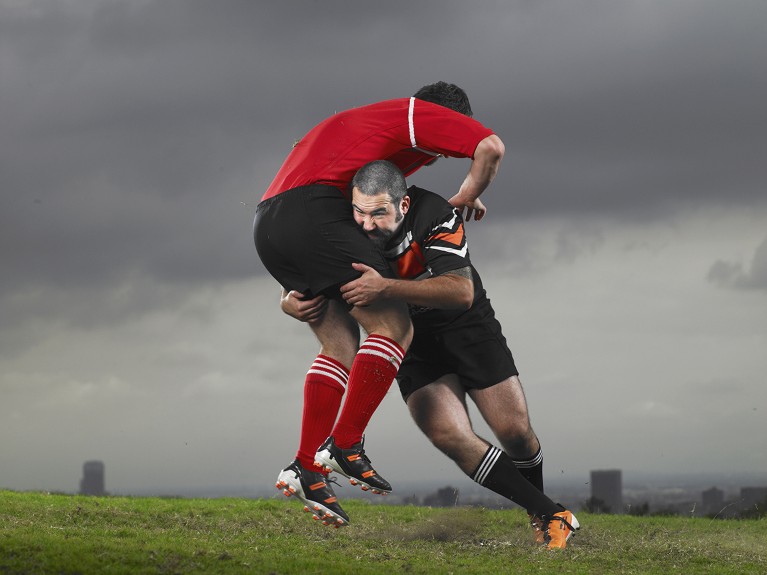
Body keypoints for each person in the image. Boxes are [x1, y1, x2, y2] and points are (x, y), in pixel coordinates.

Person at [283, 160, 580, 549]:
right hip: (408, 341)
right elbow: (309, 269)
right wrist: (289, 301)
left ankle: (540, 509)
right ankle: (551, 515)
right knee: (448, 434)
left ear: (403, 206)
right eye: (359, 212)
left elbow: (461, 292)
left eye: (378, 213)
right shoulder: (344, 224)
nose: (366, 225)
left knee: (515, 433)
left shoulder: (433, 213)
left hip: (465, 326)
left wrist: (386, 288)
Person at [254, 82, 505, 527]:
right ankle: (344, 444)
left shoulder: (364, 132)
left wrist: (287, 294)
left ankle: (306, 469)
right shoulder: (416, 114)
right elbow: (490, 147)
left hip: (269, 222)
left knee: (339, 344)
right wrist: (470, 189)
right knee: (394, 325)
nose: (445, 153)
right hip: (313, 211)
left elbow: (303, 186)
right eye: (447, 146)